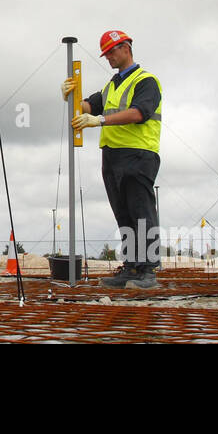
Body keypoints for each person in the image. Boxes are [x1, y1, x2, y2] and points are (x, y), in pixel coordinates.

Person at [61, 30, 163, 289]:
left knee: (141, 212)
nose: (108, 57)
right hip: (113, 155)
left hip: (139, 153)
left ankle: (148, 270)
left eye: (111, 52)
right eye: (105, 54)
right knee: (124, 214)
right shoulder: (111, 86)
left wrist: (101, 120)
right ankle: (131, 267)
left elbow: (139, 113)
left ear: (126, 48)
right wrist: (70, 96)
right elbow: (87, 106)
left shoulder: (146, 81)